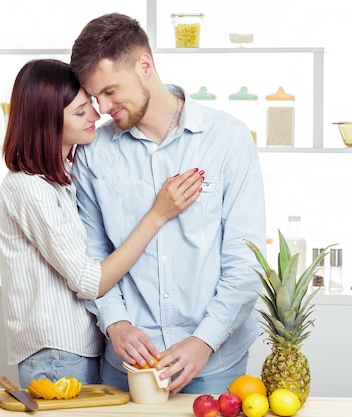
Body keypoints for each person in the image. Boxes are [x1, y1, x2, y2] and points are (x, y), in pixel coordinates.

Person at [69, 13, 266, 394]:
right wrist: (117, 324)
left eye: (110, 91)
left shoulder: (228, 139)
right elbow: (94, 255)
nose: (104, 107)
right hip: (126, 367)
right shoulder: (94, 153)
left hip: (215, 365)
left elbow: (244, 261)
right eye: (95, 97)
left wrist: (204, 341)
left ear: (144, 65)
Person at [0, 58, 205, 388]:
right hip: (56, 355)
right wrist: (157, 215)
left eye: (90, 104)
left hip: (78, 350)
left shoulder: (59, 180)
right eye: (80, 112)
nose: (96, 115)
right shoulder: (28, 188)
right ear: (46, 123)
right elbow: (89, 280)